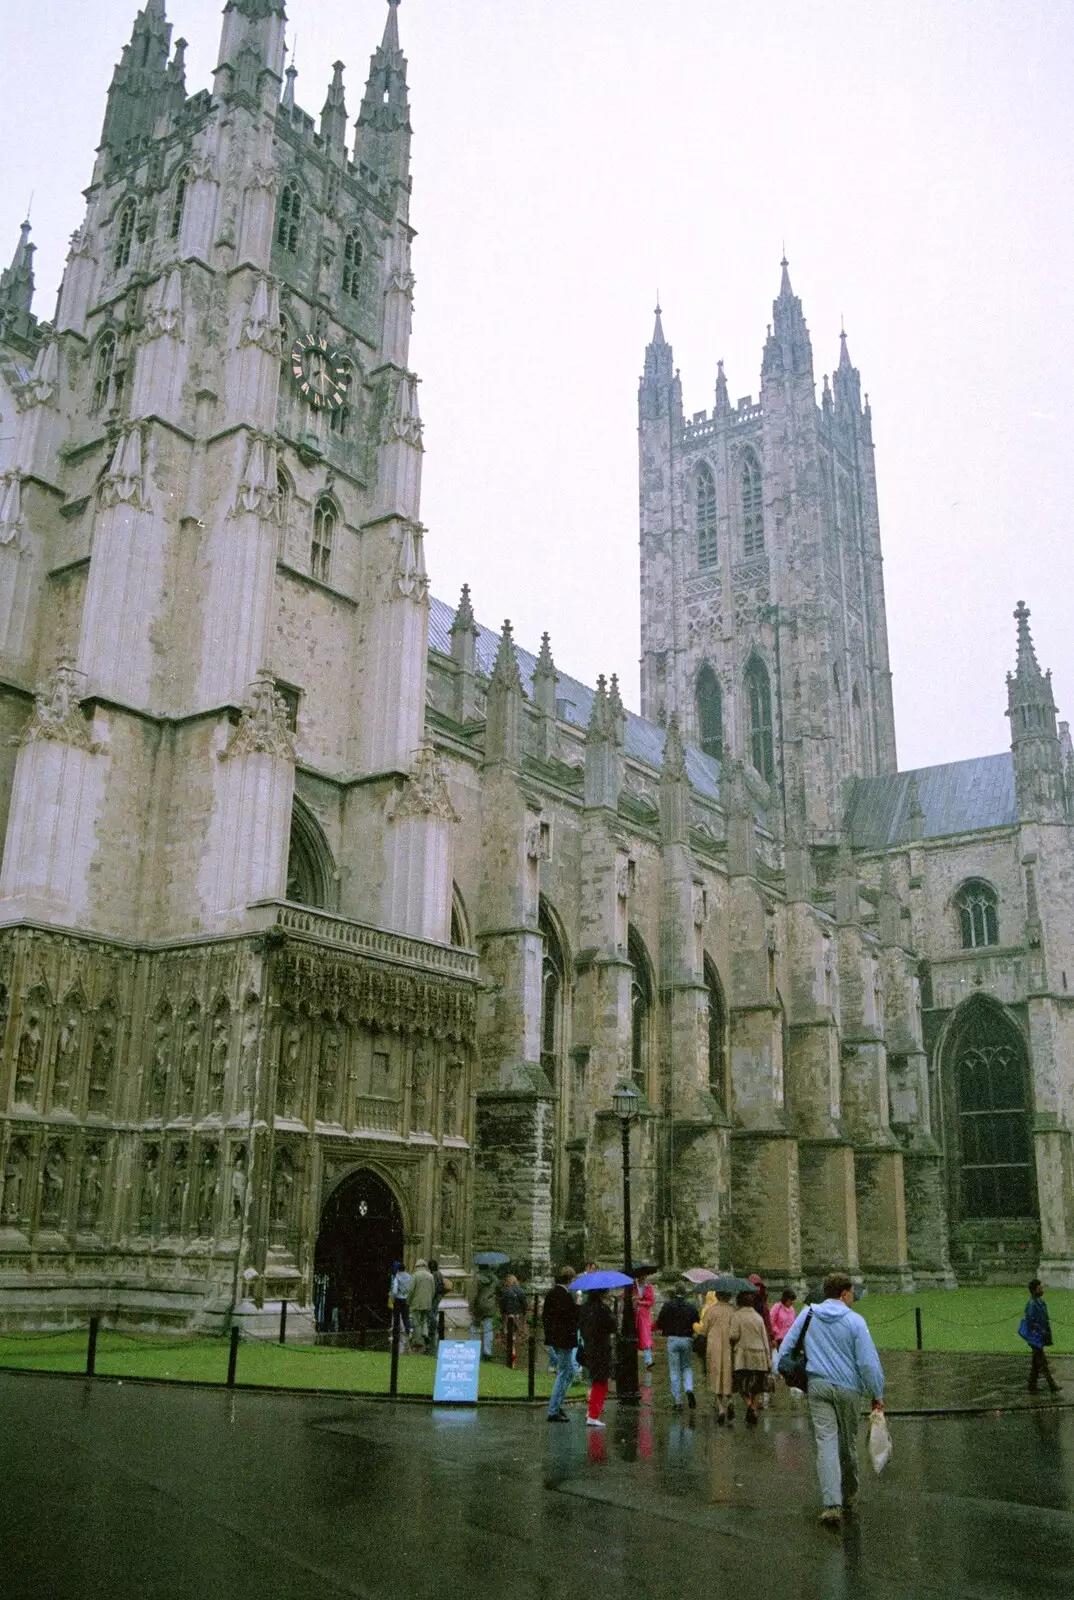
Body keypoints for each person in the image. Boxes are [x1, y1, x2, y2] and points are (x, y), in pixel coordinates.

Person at [777, 1271, 885, 1530]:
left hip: (818, 1385)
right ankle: (848, 1493)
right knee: (847, 1444)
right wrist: (877, 1394)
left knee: (825, 1442)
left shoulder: (808, 1314)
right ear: (844, 1293)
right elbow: (868, 1363)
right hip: (848, 1388)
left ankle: (831, 1503)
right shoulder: (855, 1322)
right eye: (852, 1294)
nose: (853, 1298)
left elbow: (784, 1350)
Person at [729, 1289, 771, 1426]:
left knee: (741, 1384)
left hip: (743, 1355)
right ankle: (753, 1405)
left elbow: (733, 1335)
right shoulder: (758, 1317)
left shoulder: (736, 1316)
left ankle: (749, 1405)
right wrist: (768, 1358)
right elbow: (765, 1339)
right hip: (759, 1355)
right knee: (756, 1386)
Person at [543, 1266, 579, 1422]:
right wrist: (577, 1304)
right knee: (564, 1372)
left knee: (569, 1371)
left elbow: (546, 1316)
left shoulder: (552, 1294)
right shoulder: (565, 1296)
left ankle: (557, 1404)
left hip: (556, 1338)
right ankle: (553, 1409)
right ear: (570, 1279)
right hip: (564, 1339)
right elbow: (570, 1317)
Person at [655, 1281, 699, 1411]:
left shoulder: (668, 1305)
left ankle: (678, 1401)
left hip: (673, 1338)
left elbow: (660, 1322)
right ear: (685, 1292)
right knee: (687, 1367)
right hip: (687, 1339)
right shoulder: (691, 1306)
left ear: (675, 1292)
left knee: (674, 1370)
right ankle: (689, 1389)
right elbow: (696, 1322)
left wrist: (666, 1328)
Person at [579, 1288, 616, 1427]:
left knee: (596, 1380)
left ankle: (592, 1412)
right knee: (601, 1383)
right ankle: (593, 1415)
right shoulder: (603, 1309)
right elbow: (612, 1326)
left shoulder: (584, 1308)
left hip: (589, 1348)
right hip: (602, 1349)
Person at [698, 1290, 735, 1423]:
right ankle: (730, 1400)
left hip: (714, 1346)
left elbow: (703, 1330)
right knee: (728, 1374)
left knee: (715, 1374)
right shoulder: (733, 1311)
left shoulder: (710, 1311)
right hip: (728, 1346)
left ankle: (720, 1408)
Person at [1022, 1278, 1061, 1394]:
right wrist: (1039, 1329)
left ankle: (1032, 1385)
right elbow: (1030, 1320)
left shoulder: (1040, 1302)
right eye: (1040, 1288)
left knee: (1036, 1363)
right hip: (1035, 1336)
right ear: (1034, 1290)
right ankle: (1052, 1385)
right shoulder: (1032, 1304)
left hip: (1040, 1335)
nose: (1042, 1290)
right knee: (1043, 1362)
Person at [499, 1274, 529, 1367]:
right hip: (519, 1318)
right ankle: (513, 1358)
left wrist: (503, 1324)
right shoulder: (521, 1291)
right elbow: (525, 1307)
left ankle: (511, 1359)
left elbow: (502, 1308)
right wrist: (523, 1323)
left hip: (508, 1318)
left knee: (510, 1339)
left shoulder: (506, 1292)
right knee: (516, 1338)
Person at [471, 1266, 498, 1358]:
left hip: (479, 1305)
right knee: (488, 1328)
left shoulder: (477, 1278)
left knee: (475, 1326)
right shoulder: (494, 1278)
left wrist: (471, 1307)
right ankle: (487, 1352)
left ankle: (474, 1348)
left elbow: (473, 1294)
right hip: (490, 1305)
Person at [409, 1258, 435, 1350]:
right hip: (427, 1302)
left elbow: (411, 1290)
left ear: (417, 1266)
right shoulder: (430, 1276)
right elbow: (433, 1290)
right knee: (424, 1320)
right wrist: (429, 1301)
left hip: (417, 1303)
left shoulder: (415, 1275)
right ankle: (425, 1334)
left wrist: (408, 1301)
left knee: (416, 1322)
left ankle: (417, 1341)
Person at [634, 1271, 656, 1371]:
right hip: (634, 1314)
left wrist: (641, 1302)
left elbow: (651, 1301)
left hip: (644, 1315)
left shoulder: (649, 1287)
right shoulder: (633, 1286)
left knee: (645, 1338)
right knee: (633, 1337)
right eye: (641, 1276)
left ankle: (648, 1361)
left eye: (644, 1275)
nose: (643, 1277)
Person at [389, 1260, 412, 1348]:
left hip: (398, 1299)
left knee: (396, 1316)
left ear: (398, 1269)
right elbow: (411, 1288)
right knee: (406, 1317)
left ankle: (395, 1333)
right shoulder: (409, 1276)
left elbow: (394, 1290)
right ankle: (408, 1332)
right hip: (406, 1299)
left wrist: (393, 1298)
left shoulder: (397, 1277)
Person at [428, 1258, 447, 1352]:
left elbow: (434, 1286)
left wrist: (431, 1296)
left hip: (435, 1295)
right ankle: (433, 1325)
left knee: (431, 1312)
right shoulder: (439, 1273)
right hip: (440, 1295)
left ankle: (433, 1327)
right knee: (434, 1311)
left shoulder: (434, 1274)